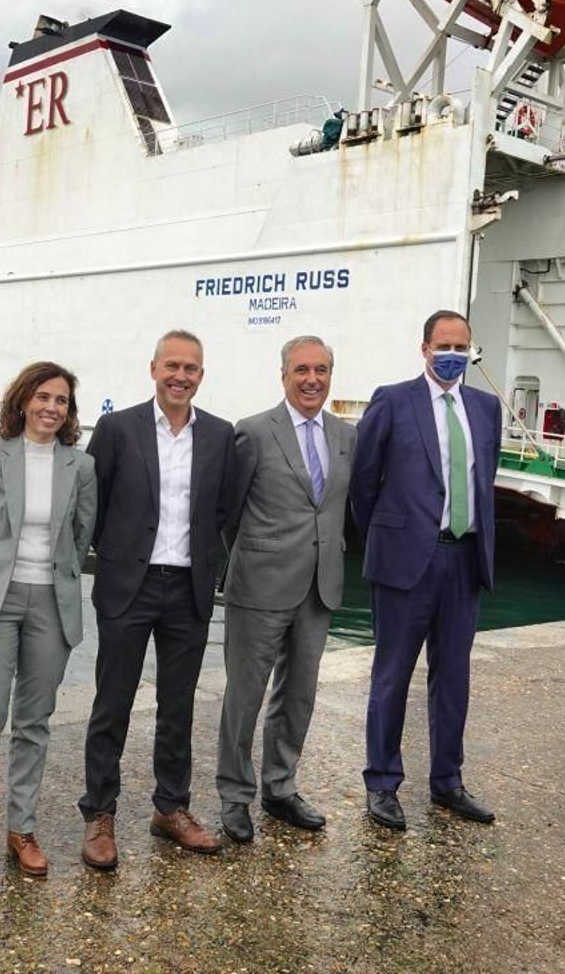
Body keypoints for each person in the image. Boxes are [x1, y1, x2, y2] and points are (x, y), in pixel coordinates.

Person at [77, 330, 236, 869]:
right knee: (112, 703)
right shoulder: (118, 428)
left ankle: (171, 808)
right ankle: (100, 814)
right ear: (153, 369)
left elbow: (222, 510)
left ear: (201, 376)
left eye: (191, 368)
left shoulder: (218, 434)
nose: (181, 376)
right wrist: (118, 556)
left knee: (178, 705)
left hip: (188, 587)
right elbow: (92, 503)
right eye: (172, 365)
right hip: (129, 586)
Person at [350, 310, 502, 829]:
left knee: (453, 677)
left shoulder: (485, 409)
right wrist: (389, 537)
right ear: (424, 348)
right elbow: (363, 482)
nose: (453, 354)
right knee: (391, 676)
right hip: (404, 561)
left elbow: (485, 481)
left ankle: (448, 783)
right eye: (444, 345)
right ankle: (383, 784)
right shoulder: (393, 400)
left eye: (462, 346)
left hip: (464, 559)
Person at [0, 362, 97, 885]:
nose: (52, 408)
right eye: (43, 397)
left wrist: (46, 579)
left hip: (51, 604)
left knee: (34, 723)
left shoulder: (80, 467)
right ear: (23, 402)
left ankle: (22, 830)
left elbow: (80, 540)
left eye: (61, 400)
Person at [216, 336, 356, 842]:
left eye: (320, 369)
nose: (311, 379)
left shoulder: (345, 435)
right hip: (259, 584)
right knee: (245, 696)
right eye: (301, 370)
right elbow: (228, 514)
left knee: (298, 695)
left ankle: (280, 786)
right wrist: (253, 559)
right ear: (283, 375)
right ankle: (234, 795)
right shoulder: (253, 432)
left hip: (320, 587)